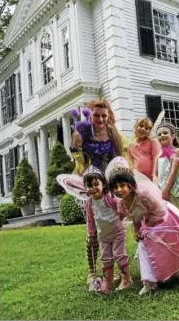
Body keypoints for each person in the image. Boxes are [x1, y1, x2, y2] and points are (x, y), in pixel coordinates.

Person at [107, 157, 179, 295]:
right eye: (115, 187)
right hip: (147, 223)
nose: (119, 190)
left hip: (164, 218)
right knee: (144, 246)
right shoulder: (121, 204)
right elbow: (135, 218)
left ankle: (173, 271)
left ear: (130, 184)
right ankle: (149, 281)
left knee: (166, 246)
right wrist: (137, 231)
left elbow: (159, 211)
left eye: (122, 185)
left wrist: (147, 227)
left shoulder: (143, 195)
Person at [69, 99, 130, 284]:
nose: (101, 119)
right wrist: (76, 141)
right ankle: (92, 271)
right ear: (89, 114)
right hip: (89, 185)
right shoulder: (83, 132)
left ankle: (114, 269)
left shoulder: (112, 132)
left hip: (109, 187)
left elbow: (121, 158)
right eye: (96, 115)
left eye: (104, 115)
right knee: (92, 231)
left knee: (112, 228)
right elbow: (77, 160)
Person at [83, 166, 132, 293]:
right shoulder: (89, 202)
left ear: (104, 184)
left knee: (119, 255)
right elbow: (90, 219)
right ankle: (107, 281)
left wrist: (121, 217)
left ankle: (126, 278)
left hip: (117, 232)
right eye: (89, 186)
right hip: (103, 236)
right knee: (105, 258)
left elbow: (122, 207)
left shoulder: (109, 198)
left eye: (95, 184)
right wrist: (90, 234)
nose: (93, 188)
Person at [153, 121, 179, 214]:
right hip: (160, 189)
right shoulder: (158, 156)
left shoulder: (176, 151)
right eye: (159, 134)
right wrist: (156, 189)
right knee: (166, 215)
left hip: (174, 189)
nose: (162, 135)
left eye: (165, 133)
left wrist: (166, 190)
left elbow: (173, 172)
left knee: (177, 214)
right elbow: (155, 174)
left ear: (172, 136)